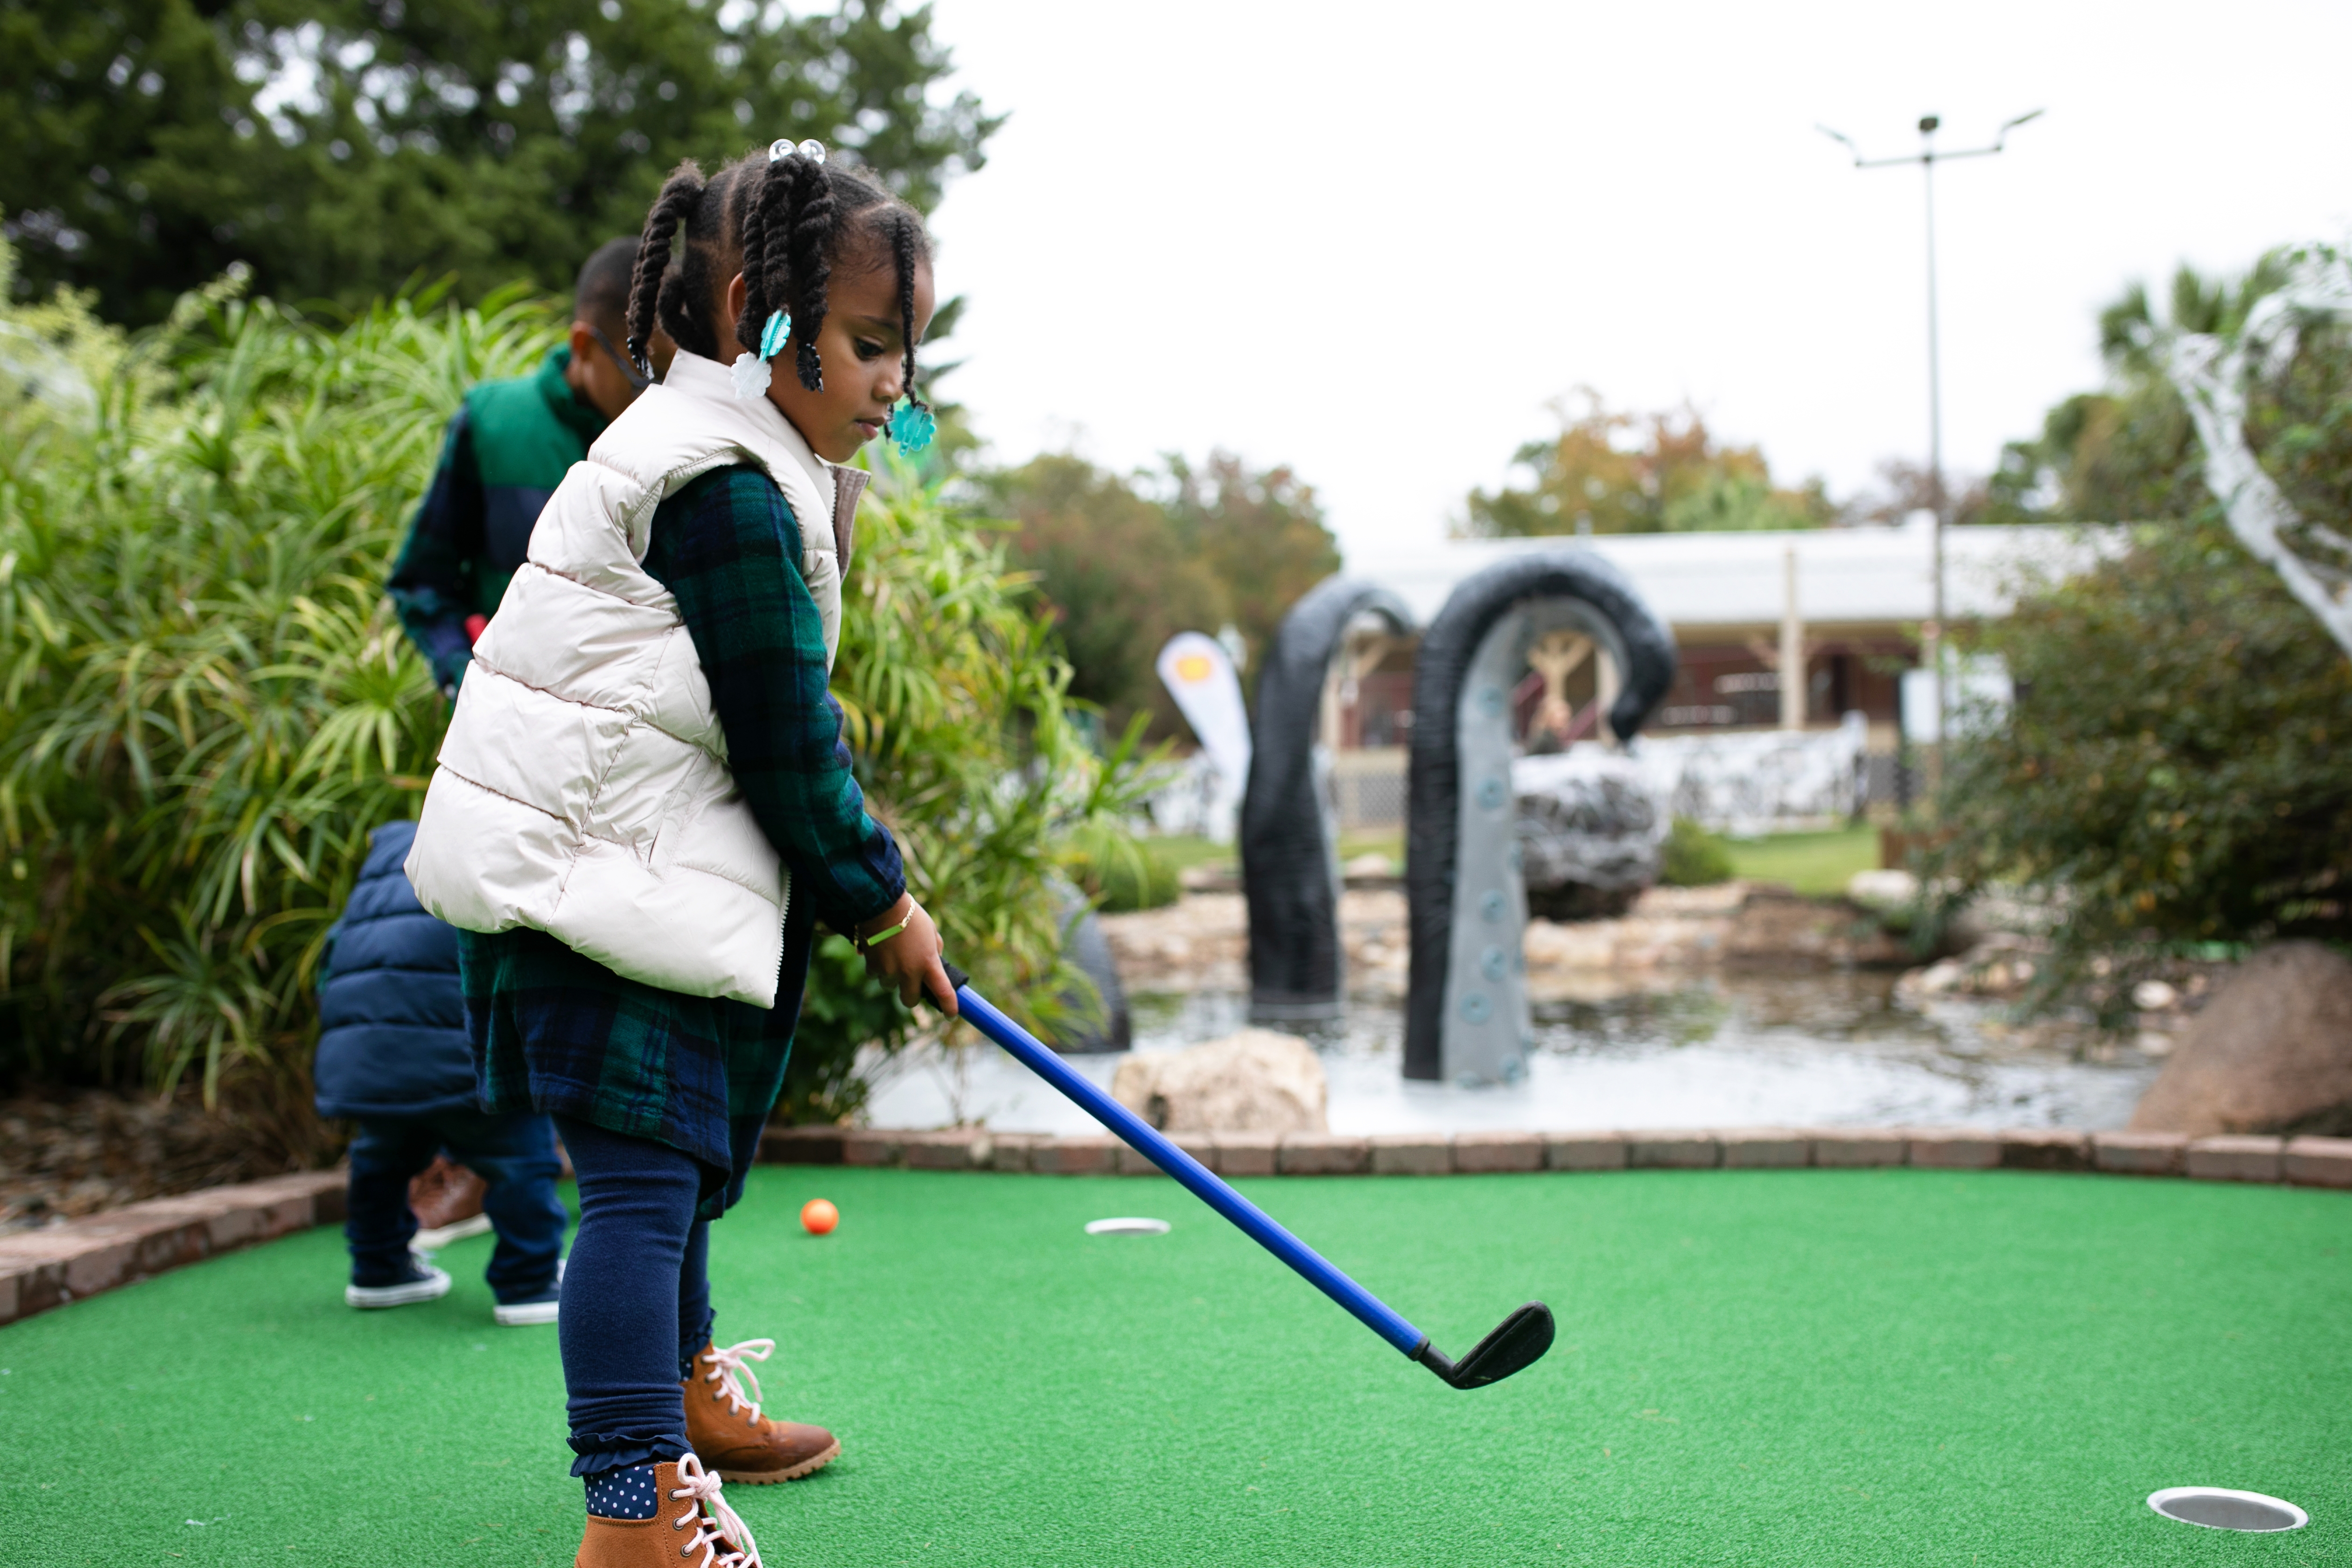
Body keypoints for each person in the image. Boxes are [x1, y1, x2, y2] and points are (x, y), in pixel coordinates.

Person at [405, 138, 952, 1568]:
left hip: (625, 863)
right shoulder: (722, 483)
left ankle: (688, 1402)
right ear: (771, 326)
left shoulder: (735, 449)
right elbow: (784, 734)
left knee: (679, 1164)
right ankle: (630, 1516)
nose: (898, 381)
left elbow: (760, 722)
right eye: (870, 343)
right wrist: (884, 899)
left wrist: (866, 884)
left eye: (911, 348)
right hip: (585, 883)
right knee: (644, 1192)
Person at [386, 236, 663, 700]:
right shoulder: (492, 422)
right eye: (642, 374)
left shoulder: (677, 443)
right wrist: (465, 674)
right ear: (584, 345)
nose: (656, 397)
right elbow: (421, 583)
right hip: (506, 728)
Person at [316, 820, 570, 1324]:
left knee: (381, 1157)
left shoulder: (379, 878)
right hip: (460, 1050)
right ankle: (528, 1281)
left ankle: (379, 1268)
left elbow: (330, 961)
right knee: (518, 1156)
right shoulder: (491, 846)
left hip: (371, 1053)